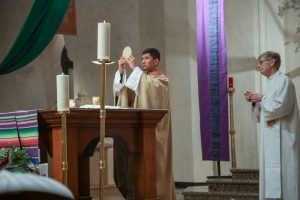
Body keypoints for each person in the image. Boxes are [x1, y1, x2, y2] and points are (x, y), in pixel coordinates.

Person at [113, 48, 176, 200]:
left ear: (156, 61)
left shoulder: (162, 80)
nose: (143, 61)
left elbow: (151, 90)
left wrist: (134, 68)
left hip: (155, 133)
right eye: (142, 58)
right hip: (137, 132)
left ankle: (157, 194)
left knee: (154, 164)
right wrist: (121, 72)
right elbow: (125, 95)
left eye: (147, 58)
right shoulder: (141, 79)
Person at [244, 51, 300, 200]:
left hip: (285, 138)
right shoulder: (271, 83)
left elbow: (282, 107)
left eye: (261, 62)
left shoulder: (284, 81)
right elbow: (265, 108)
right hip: (270, 139)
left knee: (286, 176)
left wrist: (262, 98)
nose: (258, 66)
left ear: (272, 62)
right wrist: (256, 101)